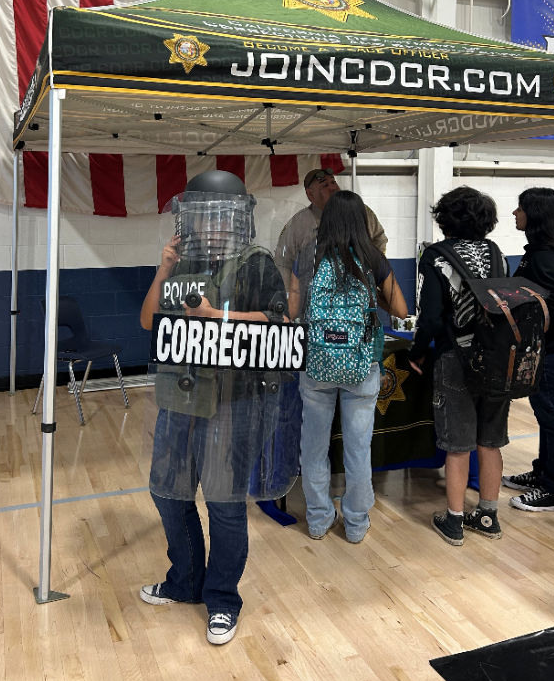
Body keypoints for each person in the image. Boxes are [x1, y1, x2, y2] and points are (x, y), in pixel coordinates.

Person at [138, 170, 291, 645]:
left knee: (224, 504)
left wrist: (216, 316)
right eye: (205, 216)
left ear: (238, 218)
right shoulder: (183, 262)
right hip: (180, 397)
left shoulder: (258, 262)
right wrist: (163, 269)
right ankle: (185, 581)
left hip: (234, 402)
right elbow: (148, 322)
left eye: (221, 216)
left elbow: (278, 320)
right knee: (168, 492)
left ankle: (222, 598)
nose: (214, 225)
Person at [289, 190, 407, 543]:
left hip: (316, 364)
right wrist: (375, 299)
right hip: (361, 365)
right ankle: (355, 524)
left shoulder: (307, 256)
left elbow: (293, 311)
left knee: (313, 447)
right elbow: (400, 309)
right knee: (358, 449)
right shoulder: (373, 257)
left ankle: (318, 519)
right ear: (361, 220)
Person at [408, 186, 510, 546]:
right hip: (498, 358)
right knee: (491, 440)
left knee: (458, 444)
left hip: (456, 357)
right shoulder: (496, 253)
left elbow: (432, 318)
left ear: (444, 218)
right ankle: (487, 514)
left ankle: (453, 520)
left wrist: (418, 352)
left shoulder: (436, 257)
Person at [502, 187, 554, 512]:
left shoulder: (549, 256)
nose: (515, 213)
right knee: (546, 414)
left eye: (519, 208)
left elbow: (549, 304)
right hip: (544, 346)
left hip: (546, 349)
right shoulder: (546, 249)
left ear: (535, 214)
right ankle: (543, 473)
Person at [274, 167, 387, 290]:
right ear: (310, 194)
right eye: (325, 185)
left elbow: (379, 239)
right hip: (315, 298)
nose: (333, 188)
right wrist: (291, 296)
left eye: (333, 182)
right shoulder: (298, 224)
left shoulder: (359, 211)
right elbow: (283, 262)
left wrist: (371, 272)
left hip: (357, 293)